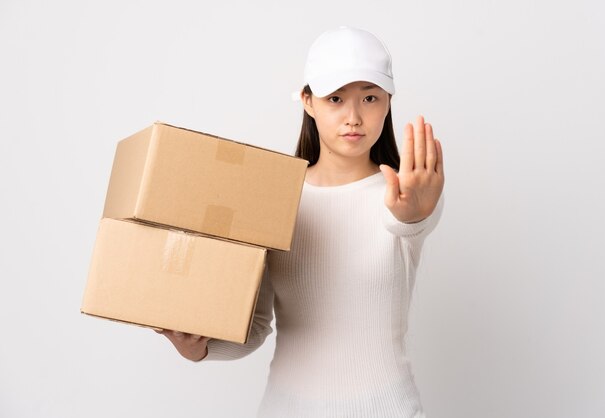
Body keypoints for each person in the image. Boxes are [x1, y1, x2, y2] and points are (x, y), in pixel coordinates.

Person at [158, 26, 444, 417]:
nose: (354, 117)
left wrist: (415, 214)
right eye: (336, 99)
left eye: (370, 98)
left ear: (388, 102)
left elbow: (408, 223)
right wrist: (199, 348)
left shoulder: (407, 194)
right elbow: (256, 325)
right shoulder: (274, 197)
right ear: (308, 101)